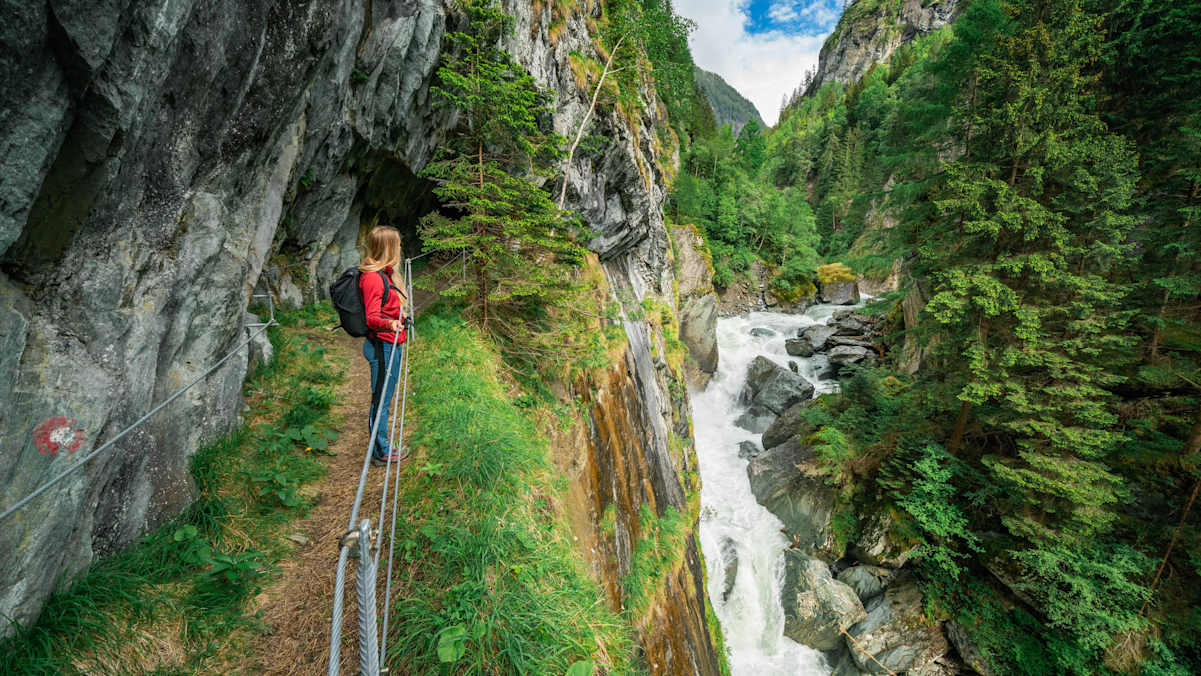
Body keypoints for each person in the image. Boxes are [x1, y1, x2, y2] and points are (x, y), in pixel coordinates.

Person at [358, 225, 408, 466]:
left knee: (386, 396)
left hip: (392, 344)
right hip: (382, 346)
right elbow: (371, 317)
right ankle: (381, 452)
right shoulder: (372, 279)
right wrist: (390, 324)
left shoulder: (385, 274)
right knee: (381, 400)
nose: (400, 248)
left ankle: (384, 444)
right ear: (388, 247)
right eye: (397, 244)